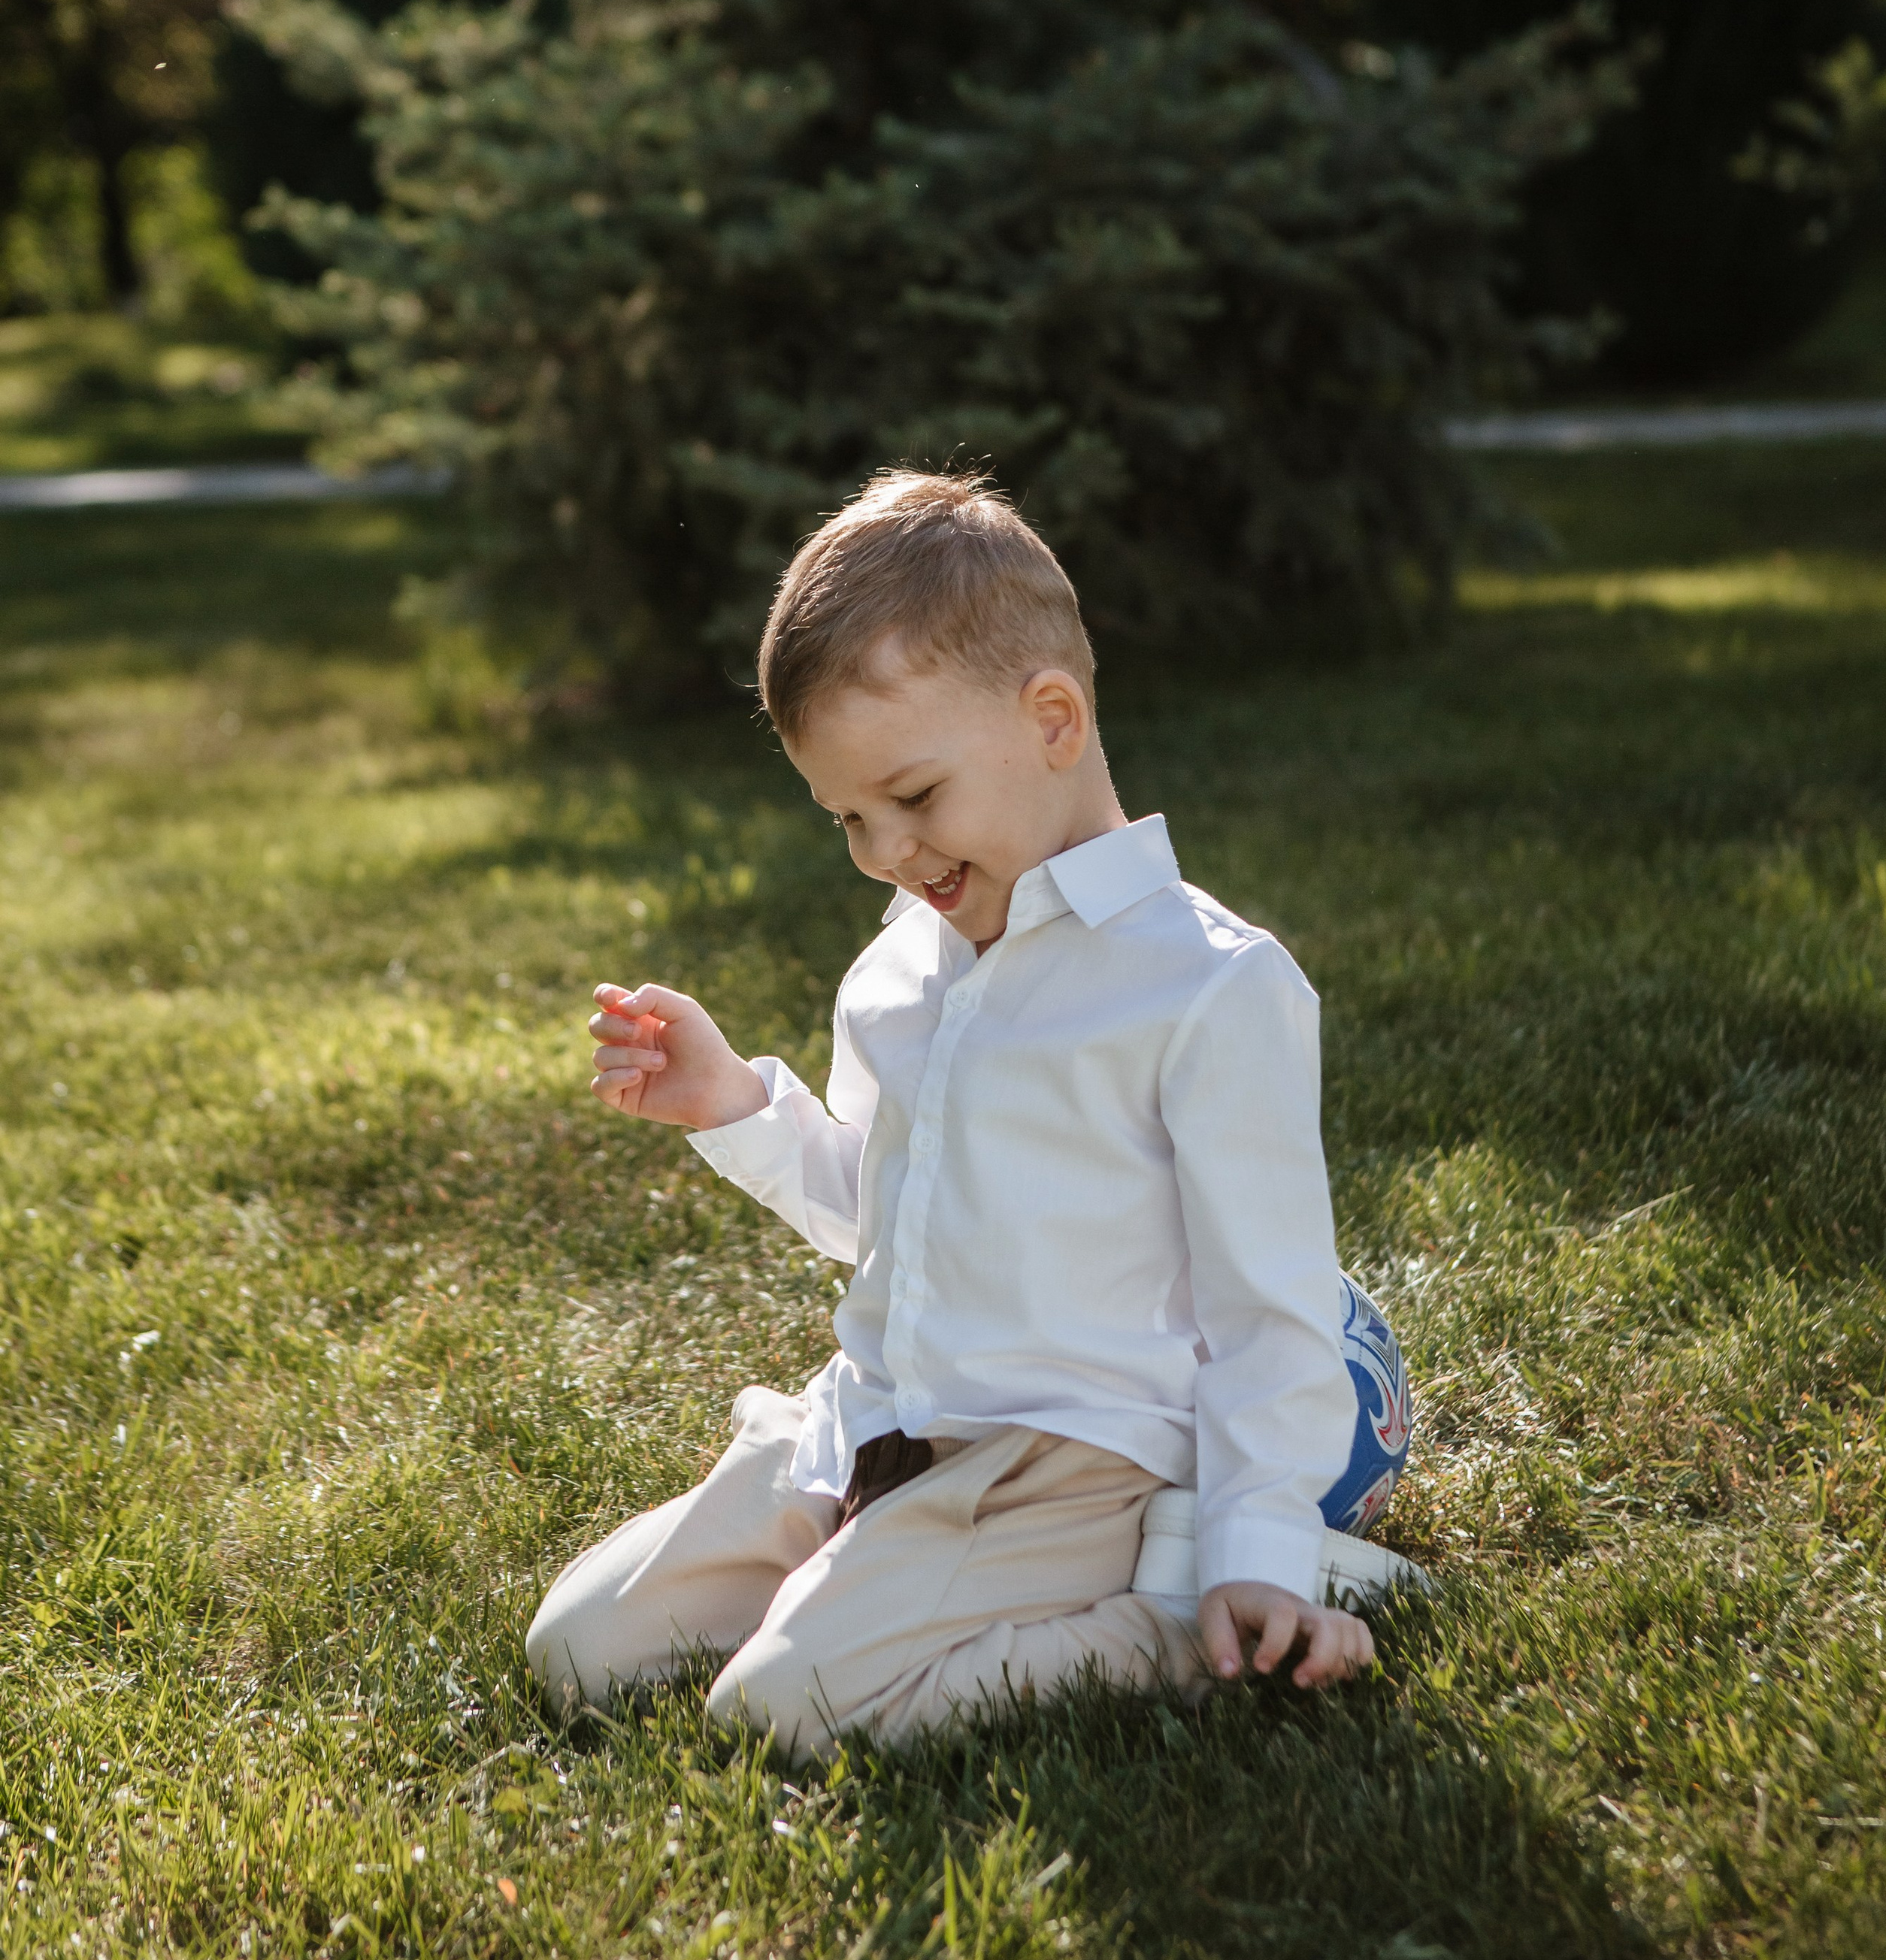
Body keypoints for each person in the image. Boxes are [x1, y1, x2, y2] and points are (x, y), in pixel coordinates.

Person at [524, 469, 1412, 1759]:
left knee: (783, 1714)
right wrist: (736, 1106)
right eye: (849, 818)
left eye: (915, 798)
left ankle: (1185, 1622)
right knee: (579, 1651)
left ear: (1052, 719)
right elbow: (893, 1223)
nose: (887, 852)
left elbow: (1267, 1313)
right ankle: (864, 1572)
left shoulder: (1208, 987)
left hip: (1061, 1465)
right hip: (870, 1424)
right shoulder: (898, 973)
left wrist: (1256, 1547)